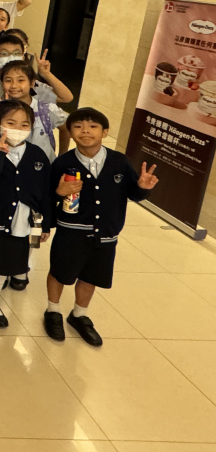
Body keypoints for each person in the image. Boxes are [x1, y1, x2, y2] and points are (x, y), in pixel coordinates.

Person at [45, 107, 159, 346]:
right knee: (60, 271)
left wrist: (143, 187)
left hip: (105, 233)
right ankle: (52, 310)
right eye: (78, 127)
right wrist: (58, 193)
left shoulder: (119, 161)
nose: (85, 131)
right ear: (70, 132)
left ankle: (79, 315)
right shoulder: (63, 163)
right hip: (70, 231)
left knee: (92, 274)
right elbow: (46, 197)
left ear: (105, 132)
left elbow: (133, 193)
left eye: (93, 126)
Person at [0, 100, 50, 328]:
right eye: (11, 123)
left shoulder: (37, 155)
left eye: (24, 125)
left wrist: (44, 225)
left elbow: (44, 192)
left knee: (5, 261)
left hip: (20, 221)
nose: (17, 129)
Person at [0, 61, 68, 162]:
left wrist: (62, 155)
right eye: (8, 80)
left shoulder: (46, 109)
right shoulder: (0, 112)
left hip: (43, 165)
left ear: (32, 83)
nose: (14, 85)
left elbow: (65, 127)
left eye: (20, 80)